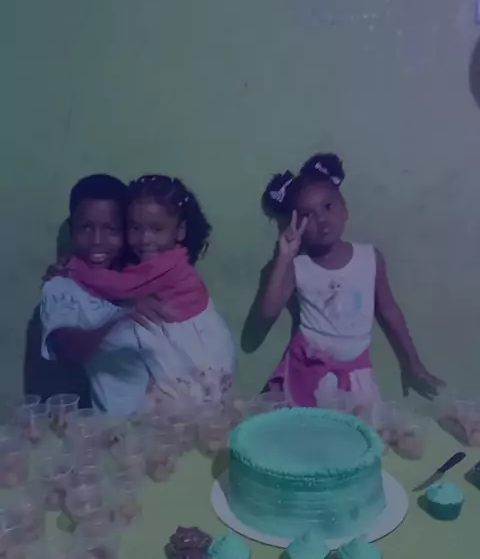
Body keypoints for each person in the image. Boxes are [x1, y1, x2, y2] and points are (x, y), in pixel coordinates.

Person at [260, 152, 443, 408]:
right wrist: (284, 256)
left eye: (328, 207)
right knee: (303, 429)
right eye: (307, 215)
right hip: (306, 372)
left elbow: (389, 312)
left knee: (358, 427)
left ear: (344, 209)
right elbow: (268, 312)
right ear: (296, 223)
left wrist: (413, 364)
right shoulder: (297, 266)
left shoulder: (370, 258)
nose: (321, 220)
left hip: (356, 375)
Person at [52, 174, 236, 408]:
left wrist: (75, 268)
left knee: (192, 404)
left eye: (156, 229)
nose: (144, 239)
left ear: (180, 231)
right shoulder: (154, 263)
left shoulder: (167, 266)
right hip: (191, 344)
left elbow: (117, 286)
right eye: (135, 228)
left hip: (199, 348)